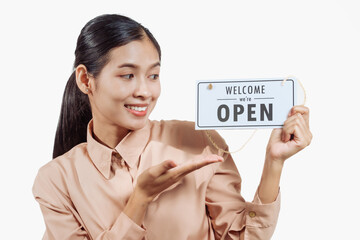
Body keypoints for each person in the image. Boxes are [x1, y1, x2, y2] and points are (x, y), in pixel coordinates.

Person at [32, 14, 312, 240]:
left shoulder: (199, 140)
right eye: (128, 75)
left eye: (153, 75)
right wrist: (139, 199)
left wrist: (274, 162)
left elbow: (242, 237)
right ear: (85, 80)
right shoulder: (56, 180)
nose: (145, 91)